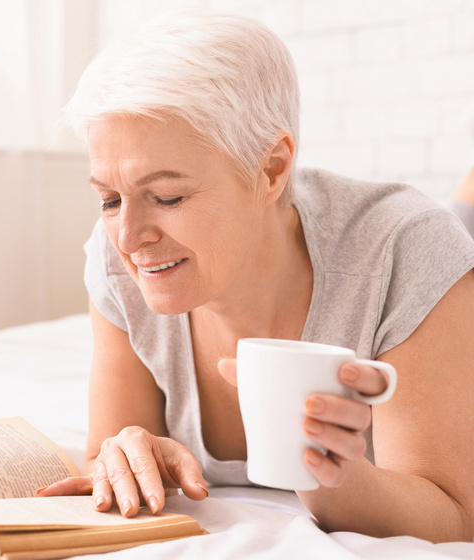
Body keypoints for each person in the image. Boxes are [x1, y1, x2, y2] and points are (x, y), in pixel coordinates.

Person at [38, 9, 474, 543]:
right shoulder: (114, 261)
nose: (128, 239)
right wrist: (129, 455)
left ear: (271, 169)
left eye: (168, 196)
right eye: (109, 198)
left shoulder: (406, 250)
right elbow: (107, 456)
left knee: (460, 226)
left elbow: (455, 515)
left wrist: (328, 477)